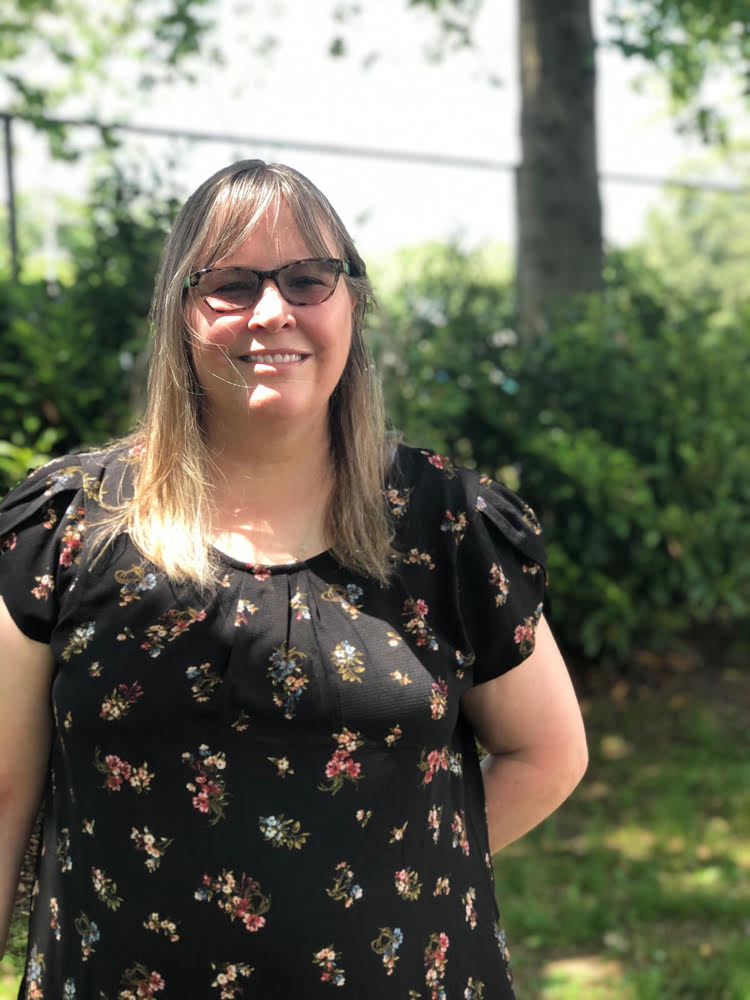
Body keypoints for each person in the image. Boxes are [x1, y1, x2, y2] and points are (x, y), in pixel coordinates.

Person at [0, 159, 587, 999]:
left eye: (308, 279)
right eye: (231, 285)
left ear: (352, 301)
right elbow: (3, 792)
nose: (273, 312)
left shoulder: (445, 522)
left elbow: (549, 753)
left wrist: (378, 875)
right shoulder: (69, 528)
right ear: (180, 315)